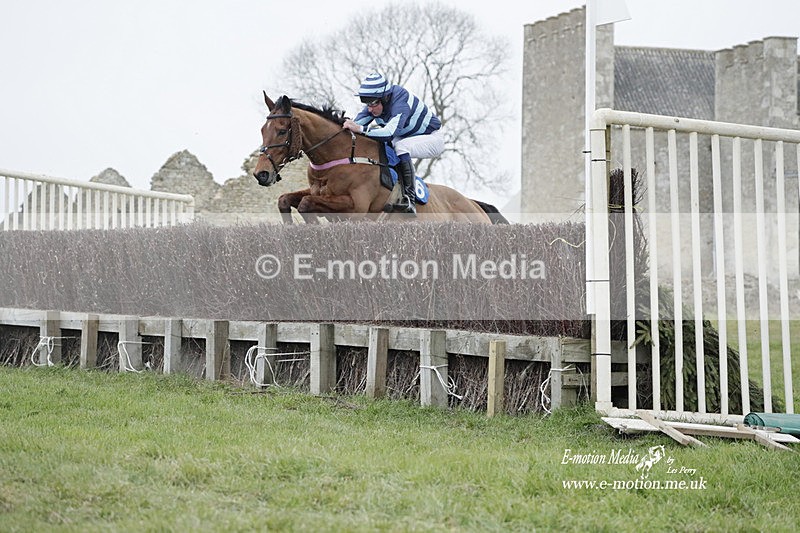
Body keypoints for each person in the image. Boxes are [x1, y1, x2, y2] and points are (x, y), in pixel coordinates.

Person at [342, 72, 444, 215]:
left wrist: (360, 129)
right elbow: (354, 125)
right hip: (405, 136)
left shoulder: (400, 102)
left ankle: (409, 199)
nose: (370, 109)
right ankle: (393, 189)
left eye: (373, 104)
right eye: (367, 104)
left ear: (385, 97)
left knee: (400, 146)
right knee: (386, 145)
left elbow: (388, 132)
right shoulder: (376, 104)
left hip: (432, 138)